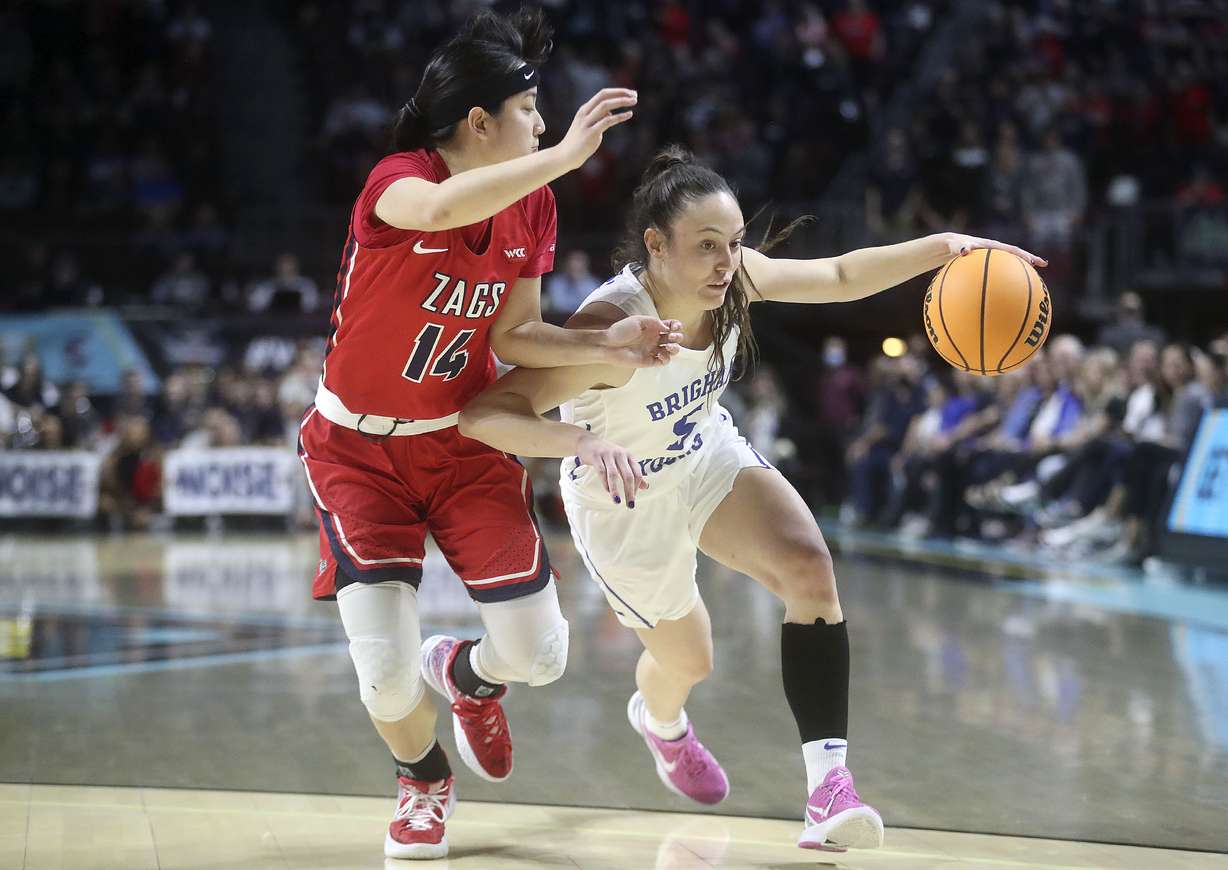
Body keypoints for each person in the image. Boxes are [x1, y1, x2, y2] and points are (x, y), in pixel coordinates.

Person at [458, 146, 1045, 852]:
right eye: (706, 247)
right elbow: (483, 415)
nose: (725, 262)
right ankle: (661, 722)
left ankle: (830, 789)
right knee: (690, 662)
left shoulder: (732, 285)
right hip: (624, 499)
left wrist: (945, 247)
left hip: (704, 454)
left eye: (734, 244)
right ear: (656, 246)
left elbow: (838, 274)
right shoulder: (605, 326)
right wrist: (577, 444)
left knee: (809, 568)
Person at [296, 8, 683, 861]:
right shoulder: (397, 181)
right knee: (383, 676)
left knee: (541, 656)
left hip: (464, 446)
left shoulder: (533, 207)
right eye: (532, 113)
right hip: (359, 453)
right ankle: (425, 781)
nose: (545, 128)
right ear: (480, 122)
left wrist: (602, 344)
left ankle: (467, 678)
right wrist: (566, 156)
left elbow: (515, 337)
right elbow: (436, 209)